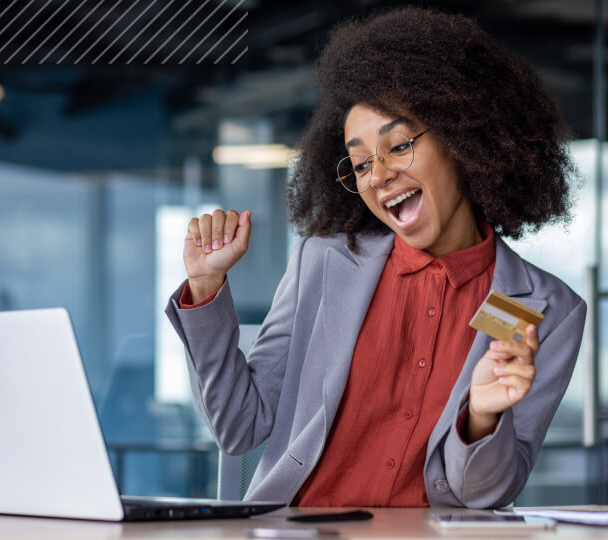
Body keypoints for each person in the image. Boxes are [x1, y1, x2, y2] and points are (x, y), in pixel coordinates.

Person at [165, 7, 587, 509]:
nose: (378, 174)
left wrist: (482, 418)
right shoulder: (321, 266)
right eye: (361, 162)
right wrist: (207, 289)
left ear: (464, 139)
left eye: (399, 145)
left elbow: (484, 494)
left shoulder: (537, 308)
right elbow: (239, 428)